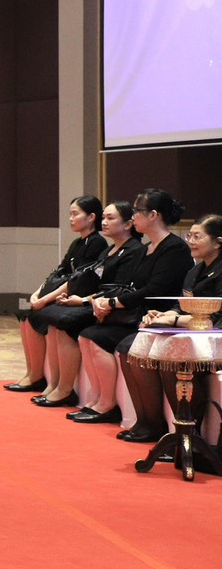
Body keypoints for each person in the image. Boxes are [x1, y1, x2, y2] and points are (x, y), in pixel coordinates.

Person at [71, 188, 191, 423]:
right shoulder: (146, 248)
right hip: (136, 311)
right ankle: (99, 398)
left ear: (153, 215)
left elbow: (154, 290)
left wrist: (113, 303)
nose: (133, 216)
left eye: (137, 211)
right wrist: (102, 302)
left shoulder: (174, 247)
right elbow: (128, 285)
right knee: (87, 335)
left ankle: (111, 405)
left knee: (98, 338)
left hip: (156, 314)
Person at [115, 213, 222, 443]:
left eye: (198, 237)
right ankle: (150, 423)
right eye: (189, 236)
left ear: (217, 242)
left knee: (172, 363)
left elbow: (214, 317)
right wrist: (163, 314)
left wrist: (172, 321)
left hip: (214, 338)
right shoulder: (194, 271)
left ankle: (189, 436)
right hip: (190, 333)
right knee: (130, 350)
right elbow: (180, 304)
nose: (191, 241)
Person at [35, 201, 144, 411]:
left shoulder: (133, 251)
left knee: (68, 324)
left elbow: (120, 288)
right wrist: (76, 297)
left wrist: (84, 300)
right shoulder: (109, 250)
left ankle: (67, 389)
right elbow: (89, 279)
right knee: (53, 319)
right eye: (104, 218)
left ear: (128, 224)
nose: (104, 222)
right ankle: (58, 385)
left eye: (110, 218)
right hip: (94, 301)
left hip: (113, 308)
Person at [5, 195, 106, 395]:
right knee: (26, 313)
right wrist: (36, 294)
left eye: (75, 214)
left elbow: (77, 281)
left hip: (78, 298)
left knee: (47, 316)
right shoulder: (77, 243)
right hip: (63, 295)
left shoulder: (97, 243)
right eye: (70, 214)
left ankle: (58, 385)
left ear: (91, 217)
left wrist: (44, 300)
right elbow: (58, 273)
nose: (70, 218)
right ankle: (34, 373)